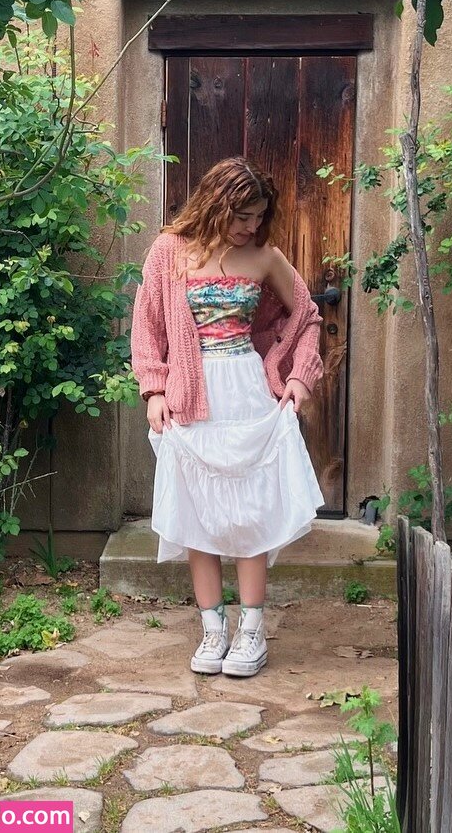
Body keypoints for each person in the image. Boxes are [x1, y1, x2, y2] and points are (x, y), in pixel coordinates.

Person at [131, 156, 325, 678]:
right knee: (200, 513)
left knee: (249, 513)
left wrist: (299, 377)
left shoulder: (265, 257)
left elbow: (308, 317)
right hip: (190, 397)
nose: (251, 226)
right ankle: (213, 629)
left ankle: (252, 630)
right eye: (242, 216)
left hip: (246, 393)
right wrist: (153, 389)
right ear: (216, 205)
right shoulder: (169, 252)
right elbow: (147, 326)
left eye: (258, 217)